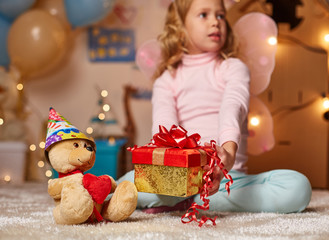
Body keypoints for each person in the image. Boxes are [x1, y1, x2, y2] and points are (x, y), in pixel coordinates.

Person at [119, 0, 312, 213]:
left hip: (230, 178)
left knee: (296, 187)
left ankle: (189, 202)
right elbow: (164, 127)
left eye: (220, 15)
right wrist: (176, 173)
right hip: (179, 176)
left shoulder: (234, 67)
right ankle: (186, 198)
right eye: (204, 15)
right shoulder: (167, 79)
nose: (216, 22)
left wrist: (227, 152)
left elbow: (233, 105)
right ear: (180, 27)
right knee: (125, 185)